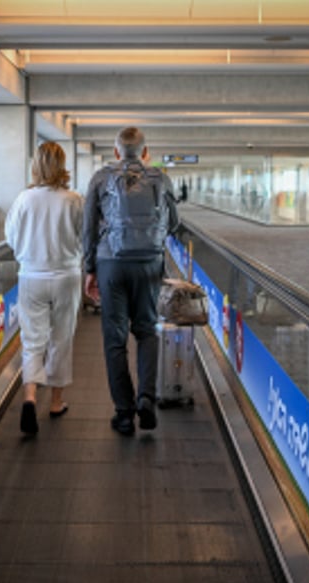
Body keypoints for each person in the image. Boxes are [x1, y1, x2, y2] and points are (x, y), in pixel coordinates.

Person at [82, 127, 179, 436]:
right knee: (146, 331)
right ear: (145, 152)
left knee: (115, 338)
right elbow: (174, 223)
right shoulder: (160, 179)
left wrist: (89, 269)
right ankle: (146, 399)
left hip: (111, 263)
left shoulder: (100, 178)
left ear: (116, 152)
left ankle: (124, 414)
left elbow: (87, 228)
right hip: (149, 263)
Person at [5, 141, 84, 435]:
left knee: (32, 338)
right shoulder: (74, 199)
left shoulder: (24, 200)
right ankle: (56, 402)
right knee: (61, 337)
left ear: (35, 165)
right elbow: (84, 236)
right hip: (66, 276)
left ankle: (29, 397)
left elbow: (11, 238)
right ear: (62, 166)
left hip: (31, 277)